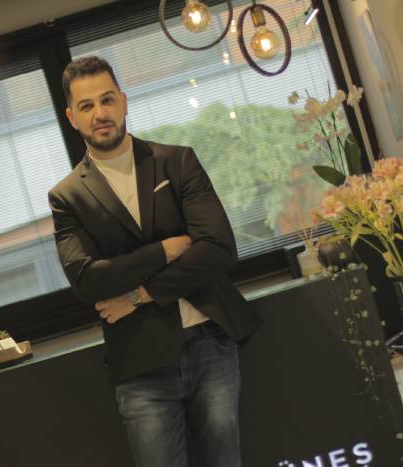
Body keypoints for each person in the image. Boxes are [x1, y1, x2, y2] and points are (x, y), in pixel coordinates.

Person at [47, 56, 260, 467]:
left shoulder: (177, 162)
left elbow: (218, 247)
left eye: (107, 100)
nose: (100, 113)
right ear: (72, 117)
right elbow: (88, 281)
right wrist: (163, 250)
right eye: (87, 106)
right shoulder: (67, 197)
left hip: (210, 343)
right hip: (140, 366)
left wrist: (140, 294)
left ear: (124, 102)